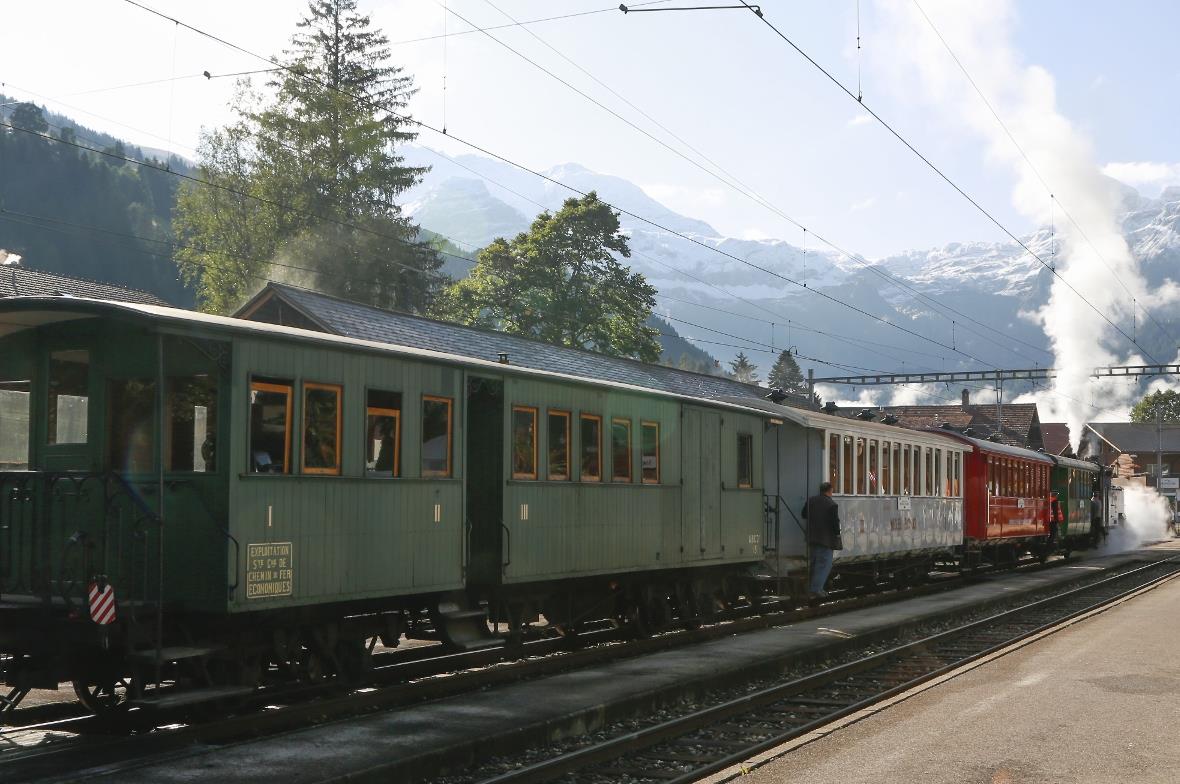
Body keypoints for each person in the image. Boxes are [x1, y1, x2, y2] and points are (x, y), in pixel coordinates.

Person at [802, 481, 842, 601]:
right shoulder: (831, 504)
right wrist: (838, 535)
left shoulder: (811, 501)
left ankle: (813, 588)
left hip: (812, 537)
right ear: (830, 490)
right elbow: (835, 524)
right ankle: (816, 589)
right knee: (824, 565)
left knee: (814, 564)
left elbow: (803, 514)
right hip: (826, 540)